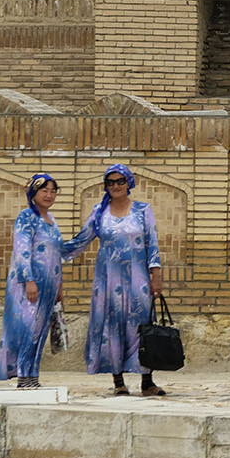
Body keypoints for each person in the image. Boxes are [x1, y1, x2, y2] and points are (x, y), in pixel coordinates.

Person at [63, 163, 167, 396]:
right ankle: (118, 380)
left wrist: (156, 276)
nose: (116, 186)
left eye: (120, 181)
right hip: (108, 281)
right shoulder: (100, 212)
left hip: (138, 279)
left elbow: (152, 243)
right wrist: (52, 248)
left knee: (142, 326)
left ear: (129, 183)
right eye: (110, 182)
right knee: (112, 327)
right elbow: (81, 240)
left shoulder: (143, 210)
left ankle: (147, 382)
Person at [0, 173, 66, 389]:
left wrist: (59, 286)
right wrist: (29, 280)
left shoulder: (51, 220)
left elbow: (58, 254)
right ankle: (23, 376)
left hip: (49, 285)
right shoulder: (26, 217)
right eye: (44, 190)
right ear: (33, 193)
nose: (49, 195)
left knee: (40, 331)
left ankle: (32, 376)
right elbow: (22, 249)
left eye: (53, 191)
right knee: (28, 328)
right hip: (28, 284)